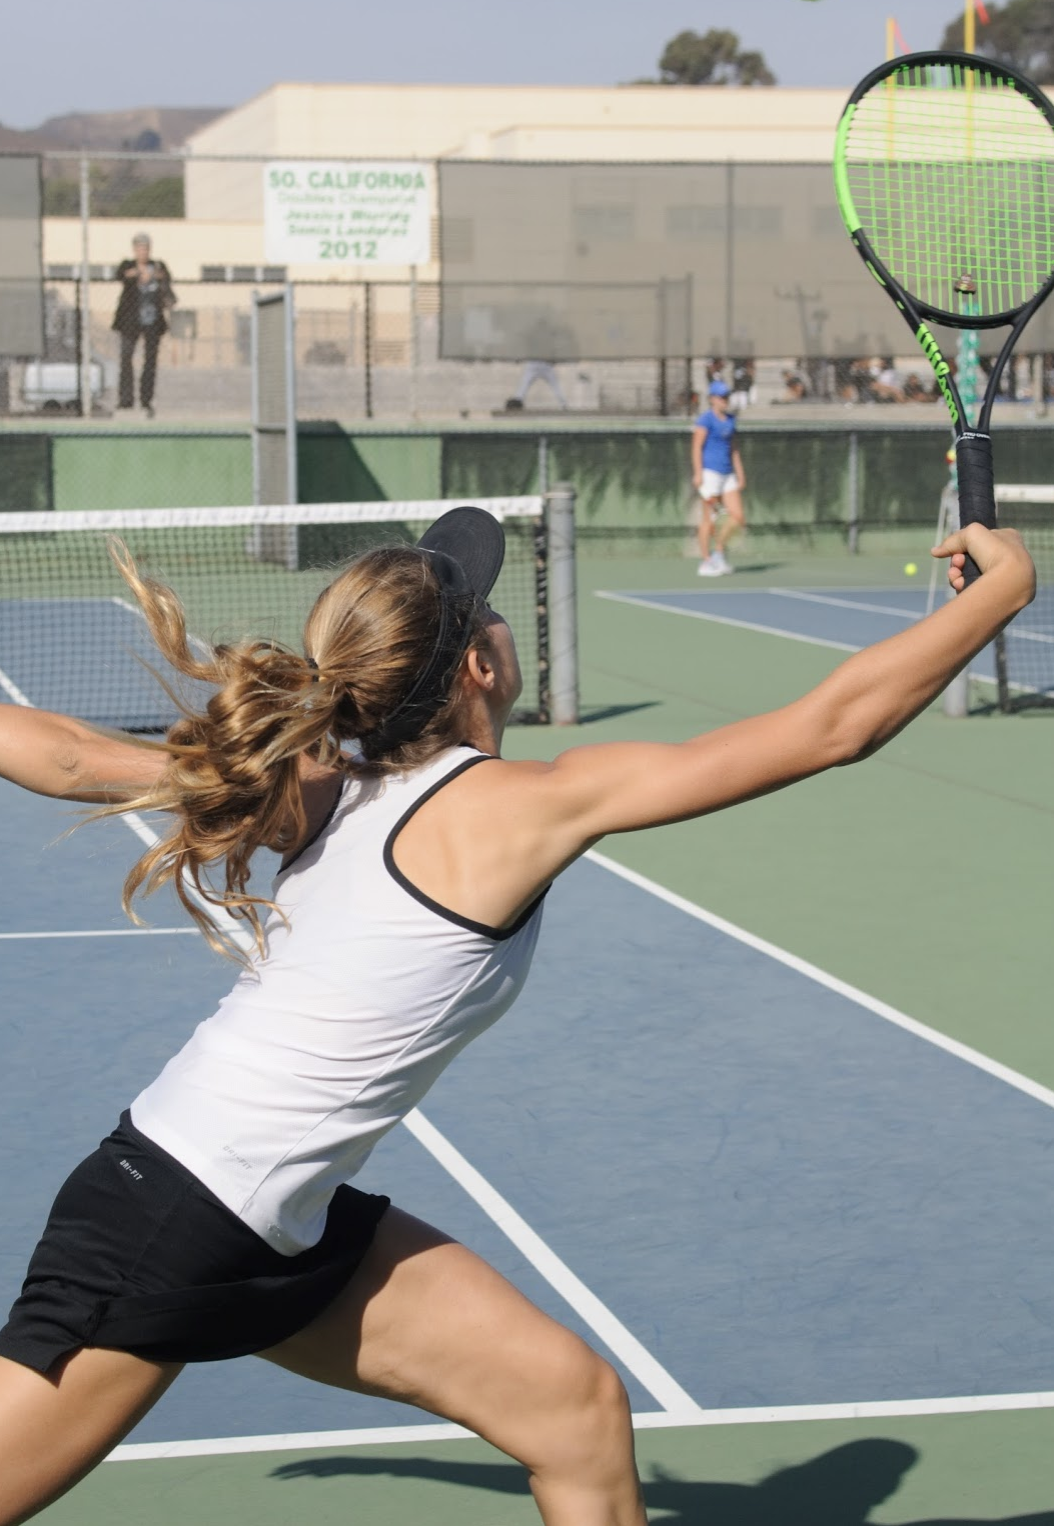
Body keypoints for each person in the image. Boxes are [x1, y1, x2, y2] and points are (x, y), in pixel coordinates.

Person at [0, 505, 1035, 1526]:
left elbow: (71, 754)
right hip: (173, 1222)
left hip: (270, 1215)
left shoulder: (316, 789)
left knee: (571, 1410)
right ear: (477, 669)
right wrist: (1007, 588)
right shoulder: (512, 805)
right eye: (489, 611)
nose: (502, 623)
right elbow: (830, 727)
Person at [111, 233, 176, 417]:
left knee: (150, 362)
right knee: (126, 358)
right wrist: (138, 274)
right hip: (130, 321)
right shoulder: (128, 265)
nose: (143, 252)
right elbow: (120, 275)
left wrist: (155, 276)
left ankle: (146, 400)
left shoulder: (158, 266)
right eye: (139, 248)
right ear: (134, 250)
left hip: (152, 321)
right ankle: (126, 400)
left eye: (145, 248)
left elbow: (167, 279)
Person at [691, 378, 746, 576]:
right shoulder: (705, 420)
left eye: (726, 396)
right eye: (721, 397)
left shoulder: (731, 420)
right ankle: (705, 562)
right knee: (710, 519)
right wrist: (698, 473)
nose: (725, 400)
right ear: (712, 399)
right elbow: (697, 447)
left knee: (738, 517)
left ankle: (718, 553)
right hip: (710, 474)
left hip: (727, 474)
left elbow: (734, 449)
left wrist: (740, 473)